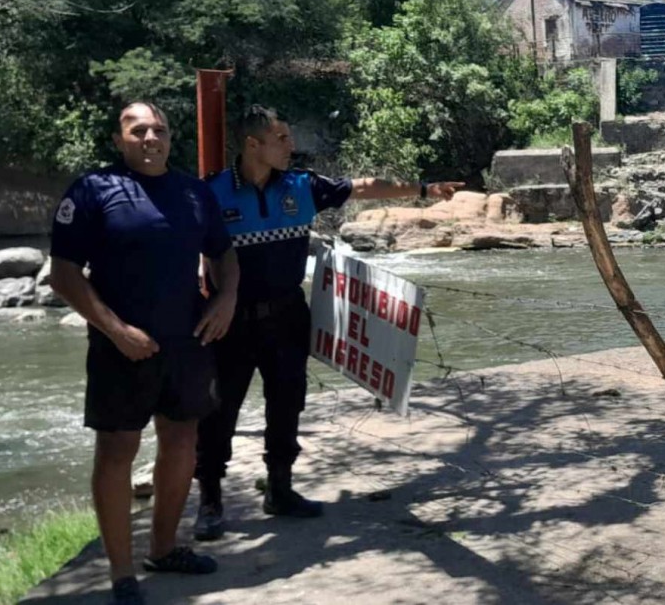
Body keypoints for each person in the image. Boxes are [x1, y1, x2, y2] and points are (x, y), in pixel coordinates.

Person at [193, 104, 463, 540]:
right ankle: (210, 502)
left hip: (287, 318)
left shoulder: (301, 186)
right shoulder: (210, 192)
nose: (290, 145)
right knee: (219, 412)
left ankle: (280, 490)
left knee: (287, 405)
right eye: (281, 138)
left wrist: (425, 188)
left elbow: (362, 188)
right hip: (230, 324)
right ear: (252, 144)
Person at [50, 102, 239, 605]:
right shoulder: (93, 190)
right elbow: (64, 275)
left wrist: (226, 298)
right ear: (120, 140)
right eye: (138, 130)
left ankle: (163, 548)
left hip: (188, 340)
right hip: (119, 347)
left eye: (159, 129)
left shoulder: (194, 192)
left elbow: (222, 253)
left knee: (182, 442)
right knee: (116, 453)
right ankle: (121, 574)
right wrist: (116, 331)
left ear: (171, 136)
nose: (150, 137)